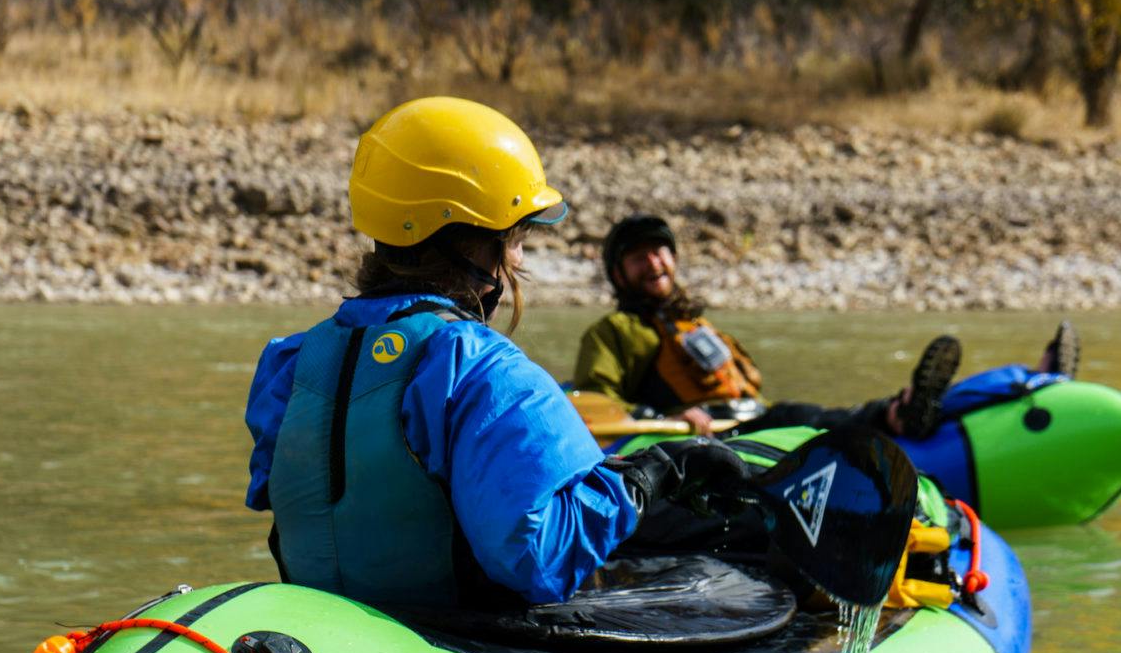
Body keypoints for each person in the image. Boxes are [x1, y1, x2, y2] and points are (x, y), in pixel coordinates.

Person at [243, 99, 761, 610]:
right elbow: (536, 557)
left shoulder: (290, 364)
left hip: (325, 642)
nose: (518, 258)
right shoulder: (480, 367)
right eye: (515, 239)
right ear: (472, 244)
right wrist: (650, 477)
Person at [575, 215, 1078, 439]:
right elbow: (596, 406)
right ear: (619, 274)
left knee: (827, 414)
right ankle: (901, 414)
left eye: (659, 251)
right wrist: (670, 416)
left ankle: (1024, 382)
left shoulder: (696, 325)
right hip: (716, 436)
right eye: (637, 257)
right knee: (825, 419)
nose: (653, 263)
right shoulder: (612, 332)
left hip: (751, 414)